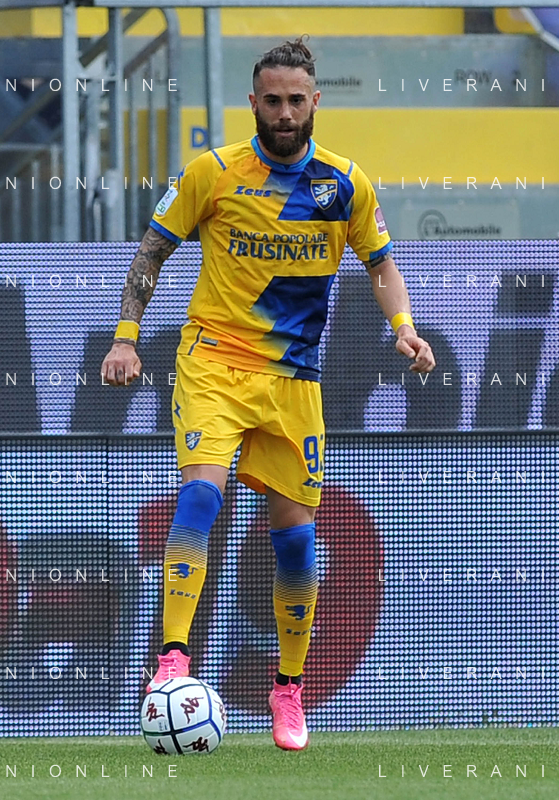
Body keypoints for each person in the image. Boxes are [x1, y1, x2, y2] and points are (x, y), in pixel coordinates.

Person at [101, 35, 435, 751]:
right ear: (252, 102)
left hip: (293, 380)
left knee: (296, 540)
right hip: (214, 363)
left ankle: (288, 689)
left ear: (315, 102)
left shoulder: (344, 183)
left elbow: (380, 266)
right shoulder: (213, 173)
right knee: (201, 496)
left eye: (296, 101)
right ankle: (173, 658)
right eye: (273, 101)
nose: (284, 113)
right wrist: (126, 336)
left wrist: (404, 328)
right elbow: (152, 252)